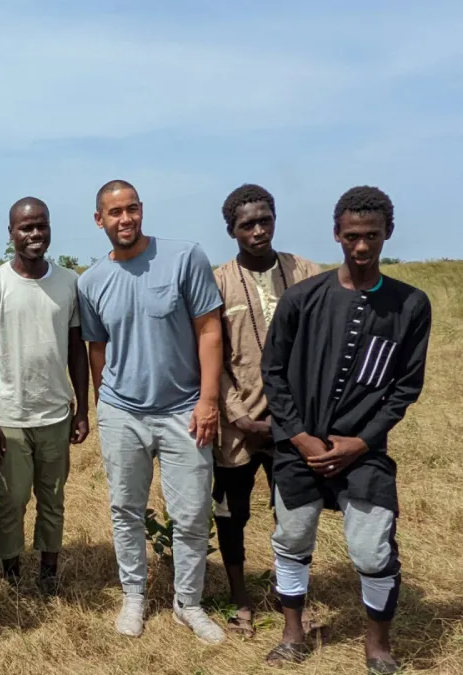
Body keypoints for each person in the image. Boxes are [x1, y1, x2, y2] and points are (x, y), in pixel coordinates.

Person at [261, 186, 431, 674]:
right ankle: (293, 633)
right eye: (352, 236)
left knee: (371, 548)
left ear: (387, 235)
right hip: (300, 446)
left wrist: (361, 441)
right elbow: (274, 373)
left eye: (372, 236)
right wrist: (298, 436)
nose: (361, 247)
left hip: (364, 450)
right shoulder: (301, 299)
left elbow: (404, 387)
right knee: (292, 539)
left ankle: (377, 645)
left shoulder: (409, 305)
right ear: (336, 234)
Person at [77, 180, 225, 643]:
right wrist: (105, 403)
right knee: (126, 508)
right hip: (123, 411)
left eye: (132, 209)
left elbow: (209, 331)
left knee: (192, 512)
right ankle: (134, 596)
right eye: (115, 213)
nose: (126, 220)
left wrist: (209, 399)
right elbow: (96, 349)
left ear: (141, 210)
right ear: (99, 220)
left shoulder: (184, 258)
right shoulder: (91, 281)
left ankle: (189, 602)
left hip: (185, 409)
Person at [0, 196, 89, 596]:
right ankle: (12, 575)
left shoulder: (69, 283)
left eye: (42, 226)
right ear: (11, 233)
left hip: (54, 414)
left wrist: (83, 408)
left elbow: (76, 352)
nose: (35, 234)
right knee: (13, 501)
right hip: (12, 419)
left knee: (53, 499)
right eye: (26, 228)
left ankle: (49, 572)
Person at [212, 184, 321, 637]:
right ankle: (240, 598)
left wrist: (290, 419)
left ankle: (290, 592)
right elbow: (210, 355)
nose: (258, 231)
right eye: (246, 225)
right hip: (236, 424)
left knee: (292, 511)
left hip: (295, 423)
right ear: (231, 230)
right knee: (231, 512)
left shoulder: (309, 273)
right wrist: (238, 416)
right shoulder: (217, 280)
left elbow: (322, 348)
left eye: (265, 221)